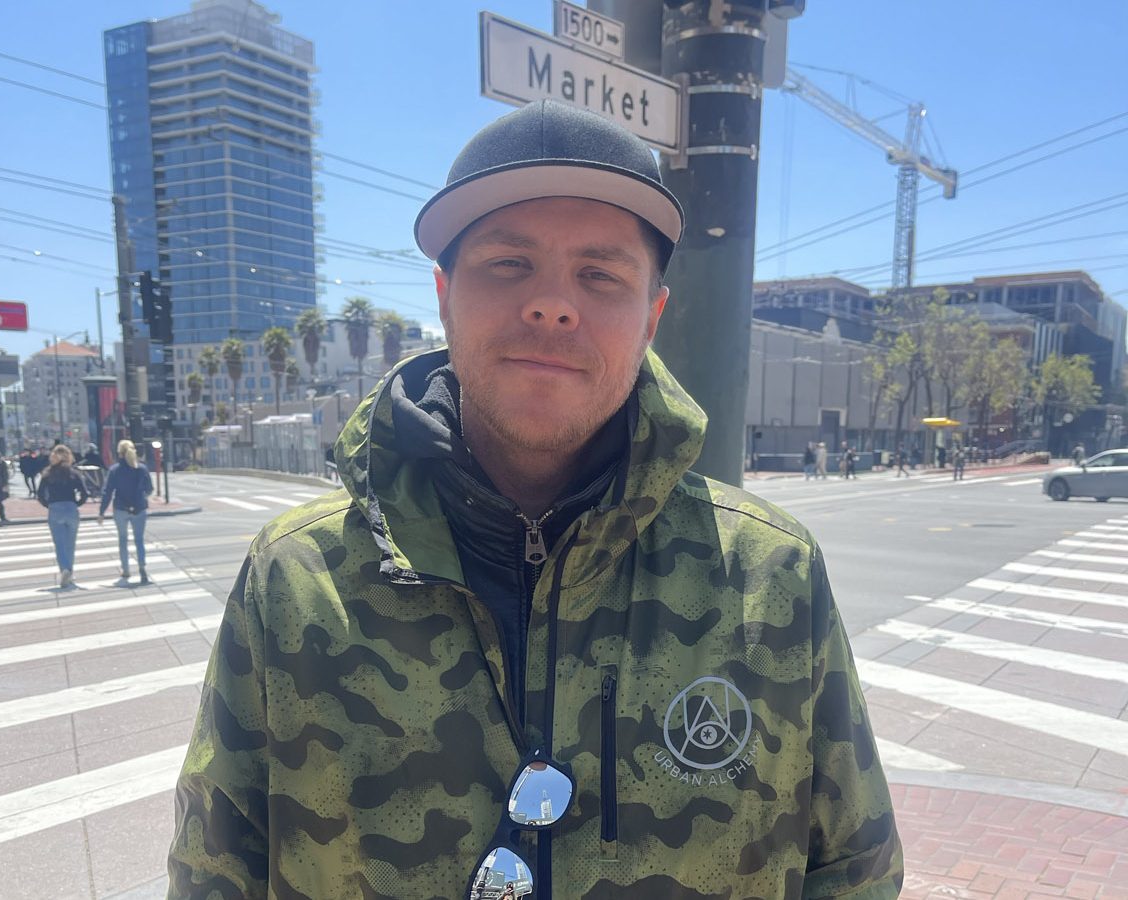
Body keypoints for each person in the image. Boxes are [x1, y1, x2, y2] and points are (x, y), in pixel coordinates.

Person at [167, 101, 902, 899]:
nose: (553, 304)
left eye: (601, 274)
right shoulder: (296, 579)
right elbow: (215, 871)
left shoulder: (772, 574)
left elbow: (854, 867)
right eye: (509, 264)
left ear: (651, 316)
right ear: (445, 295)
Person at [99, 439, 154, 585]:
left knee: (123, 540)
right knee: (139, 540)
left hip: (121, 509)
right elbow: (149, 489)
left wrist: (102, 512)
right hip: (139, 509)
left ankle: (126, 569)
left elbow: (107, 492)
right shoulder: (141, 469)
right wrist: (142, 497)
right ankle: (142, 567)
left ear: (119, 453)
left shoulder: (114, 470)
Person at [37, 444, 88, 588]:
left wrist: (49, 504)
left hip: (55, 508)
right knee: (70, 544)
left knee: (59, 544)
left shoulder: (47, 474)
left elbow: (40, 495)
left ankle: (64, 569)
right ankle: (69, 572)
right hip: (71, 507)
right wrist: (76, 503)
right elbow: (84, 493)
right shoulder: (74, 473)